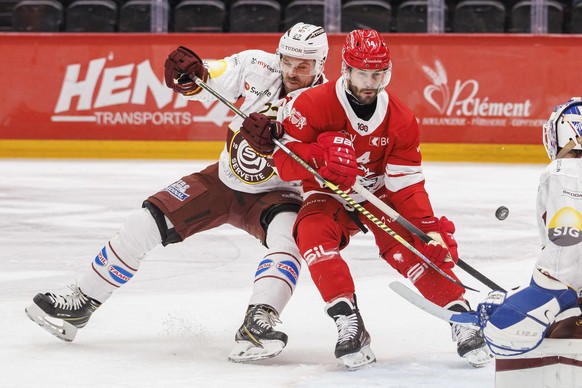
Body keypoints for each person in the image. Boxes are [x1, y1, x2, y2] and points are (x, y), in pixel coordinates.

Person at [25, 22, 329, 363]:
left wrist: (283, 142)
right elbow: (211, 77)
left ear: (321, 64)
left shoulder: (330, 104)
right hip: (223, 180)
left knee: (288, 241)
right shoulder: (259, 64)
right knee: (144, 221)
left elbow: (326, 162)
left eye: (303, 65)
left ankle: (259, 321)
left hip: (280, 194)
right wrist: (191, 74)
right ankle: (82, 301)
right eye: (287, 60)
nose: (291, 71)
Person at [240, 29, 493, 370]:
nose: (369, 82)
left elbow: (406, 186)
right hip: (326, 191)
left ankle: (461, 317)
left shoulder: (401, 119)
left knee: (413, 247)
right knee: (310, 233)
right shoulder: (310, 104)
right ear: (346, 70)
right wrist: (318, 156)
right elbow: (285, 164)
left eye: (377, 74)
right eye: (362, 73)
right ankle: (349, 321)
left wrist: (427, 228)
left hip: (378, 194)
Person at [477, 97, 582, 356]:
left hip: (565, 284)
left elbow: (564, 262)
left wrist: (540, 296)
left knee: (501, 330)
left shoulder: (566, 171)